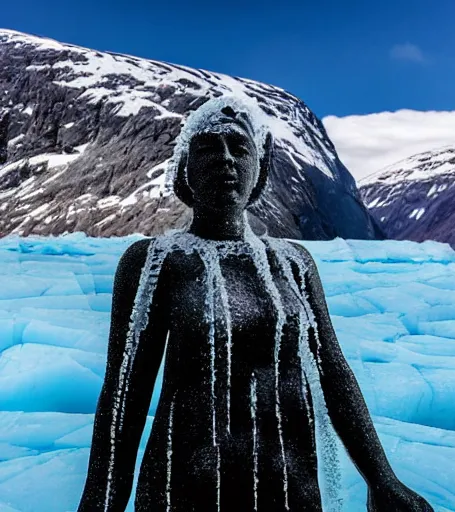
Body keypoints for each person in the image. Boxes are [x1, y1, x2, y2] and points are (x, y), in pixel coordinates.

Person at [77, 96, 434, 511]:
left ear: (259, 170)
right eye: (208, 147)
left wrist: (382, 479)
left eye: (239, 147)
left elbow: (333, 372)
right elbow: (124, 399)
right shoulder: (156, 261)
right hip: (185, 491)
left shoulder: (294, 263)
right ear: (184, 169)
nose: (226, 158)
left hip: (289, 490)